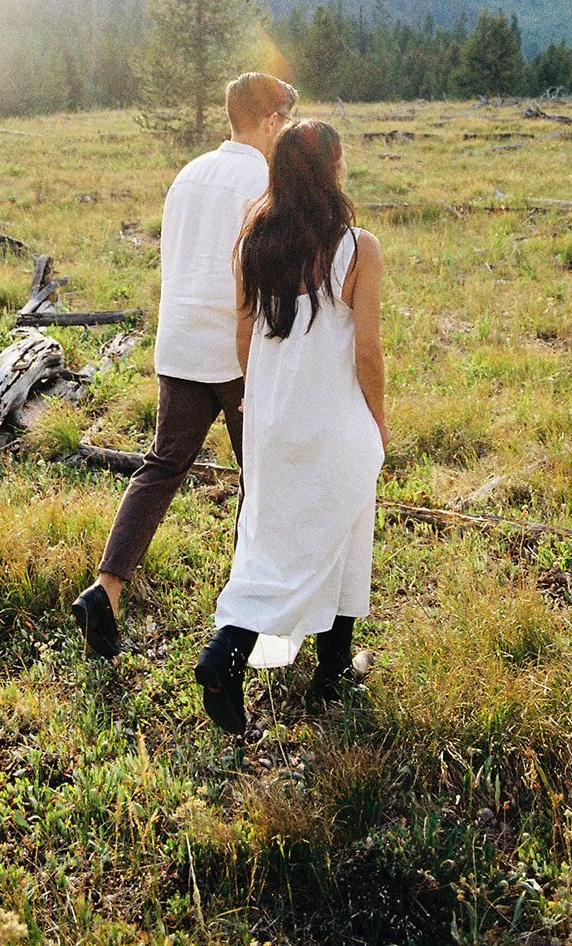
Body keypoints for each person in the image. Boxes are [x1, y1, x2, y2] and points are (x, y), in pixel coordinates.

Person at [72, 71, 298, 657]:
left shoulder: (189, 174)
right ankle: (249, 615)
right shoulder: (268, 179)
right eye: (286, 121)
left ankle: (107, 588)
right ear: (269, 120)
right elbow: (270, 274)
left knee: (162, 465)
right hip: (238, 348)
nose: (288, 131)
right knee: (264, 477)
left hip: (179, 342)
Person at [194, 119, 388, 734]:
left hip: (272, 418)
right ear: (333, 169)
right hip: (333, 415)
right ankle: (315, 666)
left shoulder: (256, 242)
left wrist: (261, 398)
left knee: (273, 539)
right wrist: (378, 423)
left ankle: (248, 652)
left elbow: (244, 335)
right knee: (345, 523)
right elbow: (368, 353)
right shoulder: (357, 247)